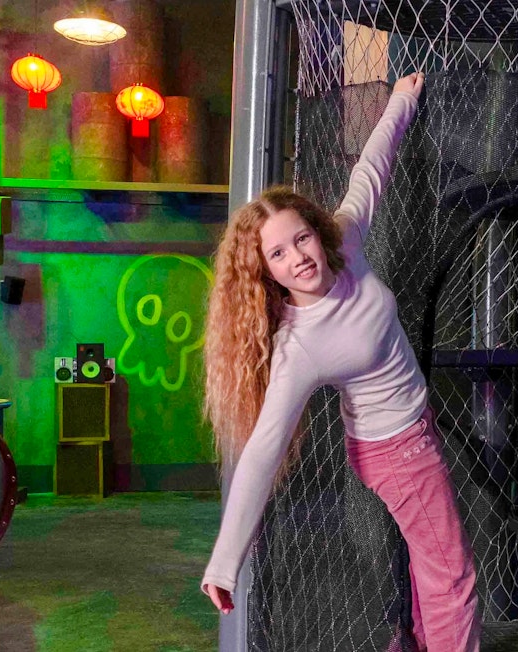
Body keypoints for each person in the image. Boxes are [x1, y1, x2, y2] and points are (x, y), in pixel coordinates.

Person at [200, 72, 481, 652]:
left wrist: (401, 101)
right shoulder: (298, 347)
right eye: (278, 254)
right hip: (396, 451)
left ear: (316, 231)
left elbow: (369, 172)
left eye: (300, 239)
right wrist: (225, 562)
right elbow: (262, 453)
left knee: (430, 564)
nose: (298, 258)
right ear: (266, 271)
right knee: (453, 578)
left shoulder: (344, 243)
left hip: (409, 430)